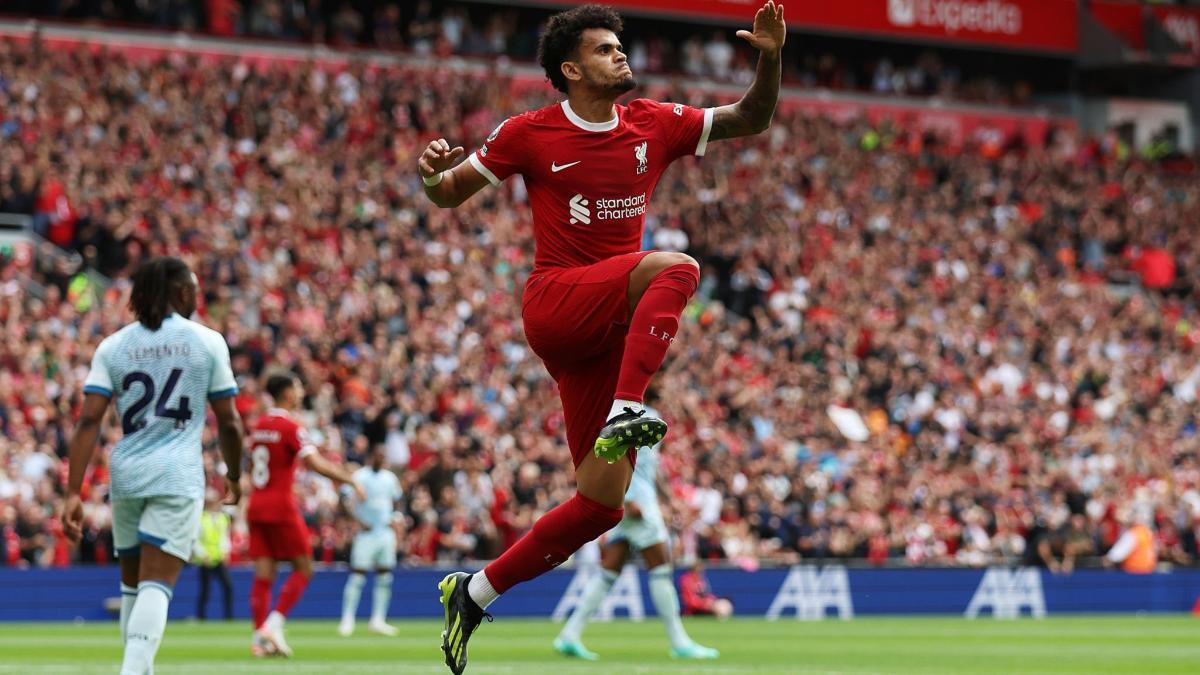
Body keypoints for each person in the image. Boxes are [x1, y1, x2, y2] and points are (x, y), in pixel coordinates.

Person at [420, 3, 784, 671]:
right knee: (677, 265)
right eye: (605, 48)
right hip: (559, 302)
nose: (621, 55)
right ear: (570, 68)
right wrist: (430, 173)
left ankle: (473, 591)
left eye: (621, 45)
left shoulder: (654, 122)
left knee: (600, 504)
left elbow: (751, 117)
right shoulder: (529, 133)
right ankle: (628, 407)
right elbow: (448, 193)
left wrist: (770, 57)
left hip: (608, 328)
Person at [62, 256, 245, 675]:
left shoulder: (114, 345)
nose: (199, 297)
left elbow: (88, 419)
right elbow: (230, 421)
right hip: (177, 472)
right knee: (157, 585)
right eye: (195, 289)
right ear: (182, 293)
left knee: (133, 587)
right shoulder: (206, 341)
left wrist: (73, 492)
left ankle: (139, 668)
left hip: (127, 473)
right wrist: (234, 474)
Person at [554, 388, 718, 660]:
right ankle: (679, 642)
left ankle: (569, 634)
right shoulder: (643, 415)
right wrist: (629, 499)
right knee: (662, 568)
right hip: (636, 502)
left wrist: (668, 498)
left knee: (609, 572)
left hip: (631, 499)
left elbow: (650, 467)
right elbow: (618, 457)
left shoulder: (638, 413)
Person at [246, 373, 364, 657]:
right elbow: (314, 463)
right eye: (297, 386)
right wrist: (348, 478)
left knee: (264, 575)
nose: (300, 391)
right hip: (280, 506)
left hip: (256, 504)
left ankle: (259, 640)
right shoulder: (291, 427)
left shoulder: (259, 425)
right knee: (304, 567)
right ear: (286, 393)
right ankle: (271, 627)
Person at [338, 446, 403, 637]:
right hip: (366, 533)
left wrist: (396, 517)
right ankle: (347, 620)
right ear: (370, 456)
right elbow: (343, 498)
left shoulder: (389, 478)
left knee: (385, 576)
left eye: (383, 456)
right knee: (357, 576)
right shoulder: (360, 476)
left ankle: (378, 620)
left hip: (384, 532)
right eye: (377, 455)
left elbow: (398, 499)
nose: (380, 459)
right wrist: (357, 520)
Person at [194, 488, 234, 620]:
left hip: (218, 559)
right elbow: (195, 540)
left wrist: (225, 552)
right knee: (205, 590)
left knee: (228, 586)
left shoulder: (223, 518)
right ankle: (201, 617)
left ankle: (228, 617)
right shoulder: (201, 519)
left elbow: (224, 537)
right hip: (205, 560)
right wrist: (202, 555)